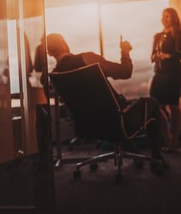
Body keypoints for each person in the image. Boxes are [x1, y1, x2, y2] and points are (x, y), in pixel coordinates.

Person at [46, 33, 164, 164]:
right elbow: (125, 72)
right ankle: (156, 158)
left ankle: (133, 153)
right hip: (119, 122)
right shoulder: (87, 58)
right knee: (152, 103)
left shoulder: (56, 77)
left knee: (114, 112)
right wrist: (125, 52)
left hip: (87, 128)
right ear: (64, 44)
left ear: (49, 53)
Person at [150, 8, 181, 152]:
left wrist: (168, 56)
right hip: (160, 73)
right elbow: (152, 55)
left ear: (173, 18)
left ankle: (174, 140)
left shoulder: (179, 34)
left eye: (167, 17)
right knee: (155, 105)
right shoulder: (158, 36)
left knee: (173, 105)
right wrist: (155, 57)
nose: (164, 19)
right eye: (163, 17)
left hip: (173, 73)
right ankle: (166, 136)